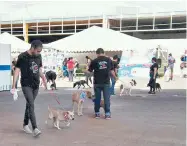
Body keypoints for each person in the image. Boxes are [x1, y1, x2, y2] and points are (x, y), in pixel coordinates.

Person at [12, 40, 47, 137]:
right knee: (31, 104)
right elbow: (17, 71)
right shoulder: (22, 57)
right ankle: (35, 128)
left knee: (29, 105)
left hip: (36, 85)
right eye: (38, 51)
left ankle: (25, 124)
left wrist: (43, 78)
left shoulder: (39, 56)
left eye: (40, 51)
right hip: (26, 84)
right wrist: (13, 85)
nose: (38, 53)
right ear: (32, 48)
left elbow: (39, 69)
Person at [87, 48, 117, 119]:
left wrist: (89, 65)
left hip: (97, 83)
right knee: (107, 98)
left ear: (97, 53)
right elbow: (112, 70)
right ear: (104, 53)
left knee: (97, 98)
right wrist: (115, 77)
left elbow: (89, 71)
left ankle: (97, 113)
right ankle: (107, 114)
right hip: (106, 82)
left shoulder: (94, 61)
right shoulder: (109, 60)